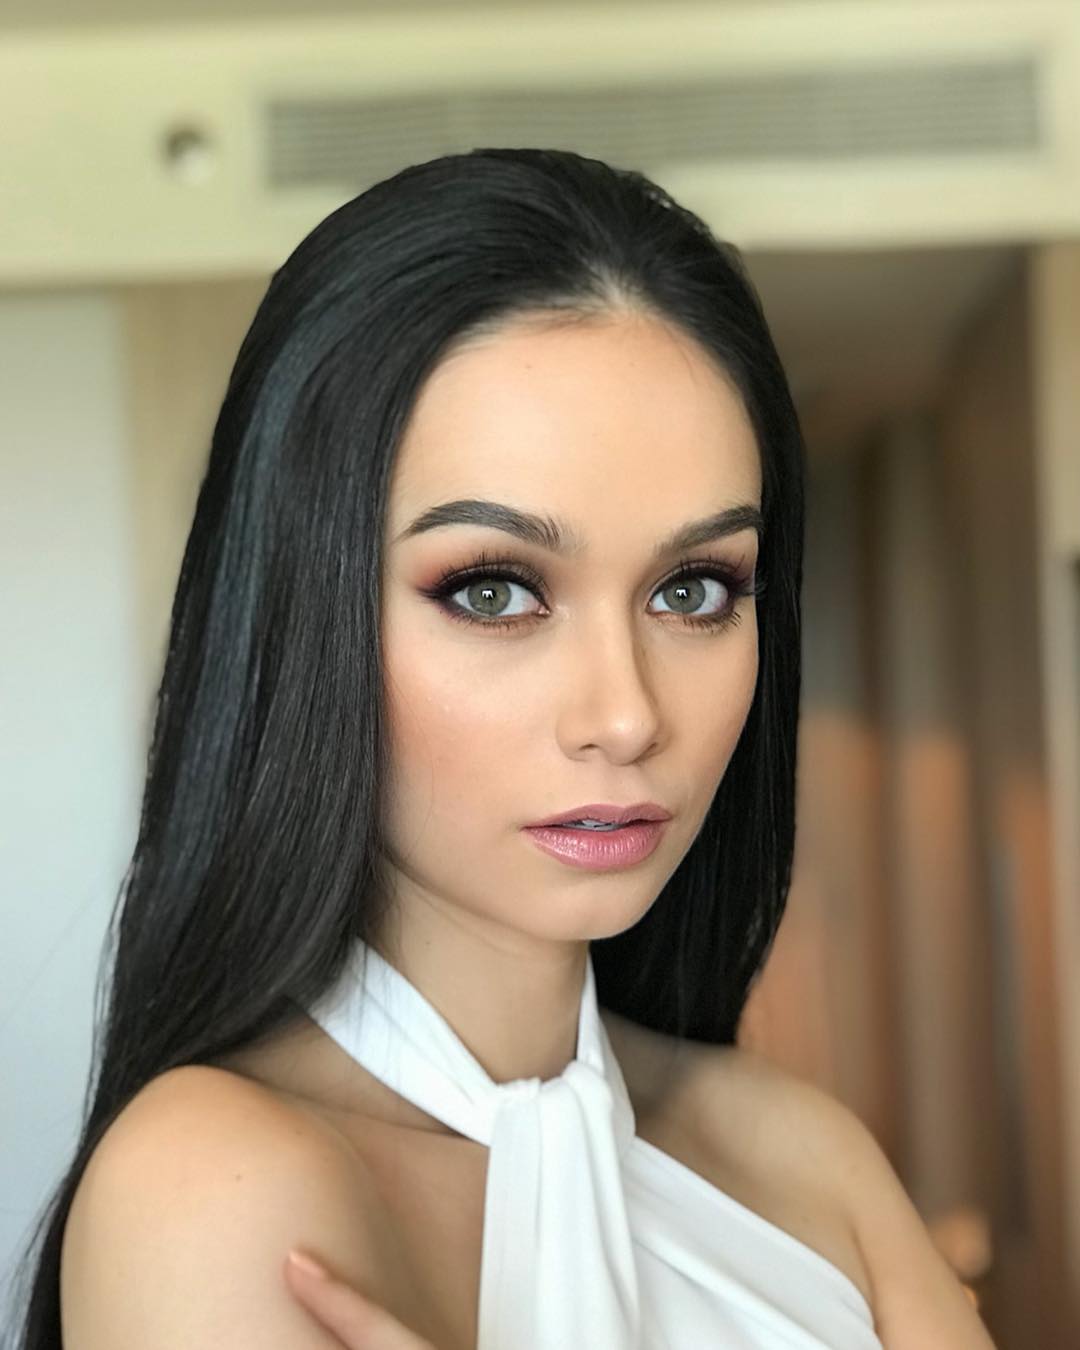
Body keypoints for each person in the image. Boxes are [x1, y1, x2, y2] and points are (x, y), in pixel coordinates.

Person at [6, 148, 994, 1350]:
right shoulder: (210, 1188)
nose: (625, 716)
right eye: (493, 591)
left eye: (691, 590)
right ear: (303, 619)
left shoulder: (796, 1150)